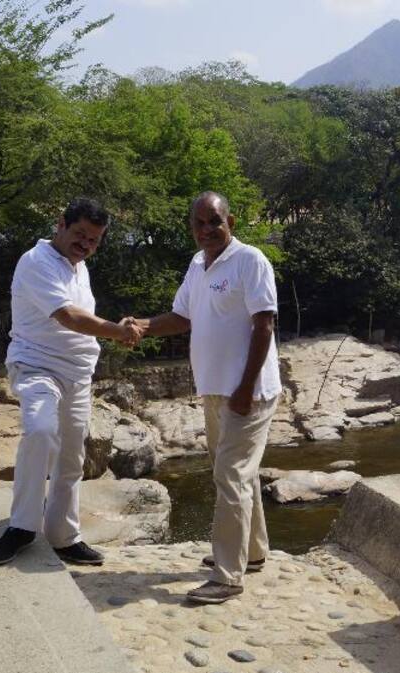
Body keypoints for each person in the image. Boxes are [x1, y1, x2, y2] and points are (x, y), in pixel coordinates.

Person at [130, 191, 281, 604]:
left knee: (229, 476)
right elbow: (182, 318)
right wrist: (142, 325)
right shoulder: (197, 265)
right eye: (198, 223)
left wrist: (245, 389)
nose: (206, 230)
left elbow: (264, 326)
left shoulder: (250, 260)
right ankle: (251, 553)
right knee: (238, 473)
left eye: (213, 221)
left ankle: (227, 577)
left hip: (247, 392)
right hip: (214, 390)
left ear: (229, 220)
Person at [0, 198, 144, 567]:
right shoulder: (36, 262)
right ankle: (21, 527)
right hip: (37, 364)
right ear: (60, 224)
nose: (85, 244)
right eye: (80, 234)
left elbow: (79, 318)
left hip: (77, 372)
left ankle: (63, 535)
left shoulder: (79, 268)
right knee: (40, 431)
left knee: (72, 455)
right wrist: (117, 331)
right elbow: (68, 316)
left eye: (94, 239)